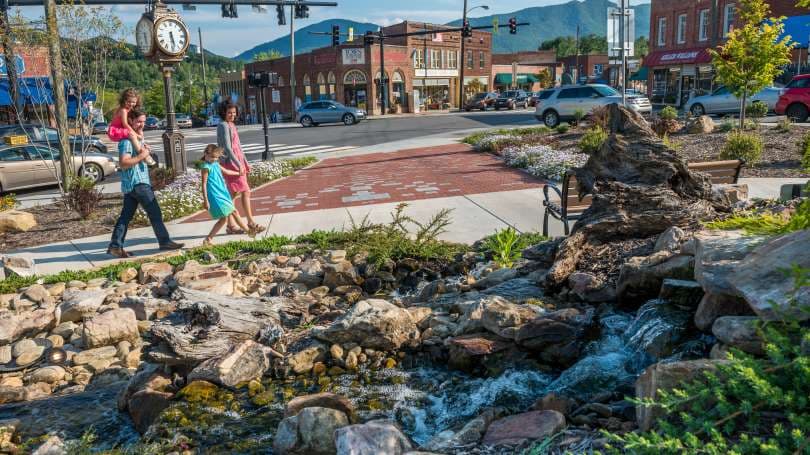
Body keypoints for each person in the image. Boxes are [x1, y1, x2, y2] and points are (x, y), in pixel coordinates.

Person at [108, 109, 184, 258]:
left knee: (125, 217)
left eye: (143, 121)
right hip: (138, 184)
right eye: (138, 121)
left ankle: (115, 246)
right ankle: (164, 241)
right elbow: (123, 163)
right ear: (130, 121)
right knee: (155, 212)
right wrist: (142, 155)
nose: (142, 124)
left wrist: (145, 152)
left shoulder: (136, 138)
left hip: (132, 185)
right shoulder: (127, 141)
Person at [216, 100, 266, 235]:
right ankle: (250, 223)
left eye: (234, 112)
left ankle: (231, 225)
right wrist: (238, 164)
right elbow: (227, 147)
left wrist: (244, 161)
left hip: (238, 160)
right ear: (223, 113)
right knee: (245, 191)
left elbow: (238, 146)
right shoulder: (223, 125)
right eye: (229, 112)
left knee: (232, 195)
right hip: (230, 162)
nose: (232, 115)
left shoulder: (231, 125)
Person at [199, 145, 255, 246]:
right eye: (212, 157)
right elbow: (203, 184)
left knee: (224, 219)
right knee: (233, 211)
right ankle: (249, 232)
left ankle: (208, 239)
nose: (214, 159)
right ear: (205, 155)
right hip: (215, 195)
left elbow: (227, 171)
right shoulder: (205, 167)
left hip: (223, 193)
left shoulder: (216, 164)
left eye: (216, 157)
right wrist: (206, 200)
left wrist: (239, 173)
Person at [108, 88, 149, 155]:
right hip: (115, 131)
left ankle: (143, 146)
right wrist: (136, 135)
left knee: (139, 130)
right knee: (132, 135)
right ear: (124, 100)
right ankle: (141, 153)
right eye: (129, 101)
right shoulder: (123, 110)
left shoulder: (129, 109)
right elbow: (125, 124)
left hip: (121, 129)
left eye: (133, 102)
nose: (131, 104)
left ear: (137, 101)